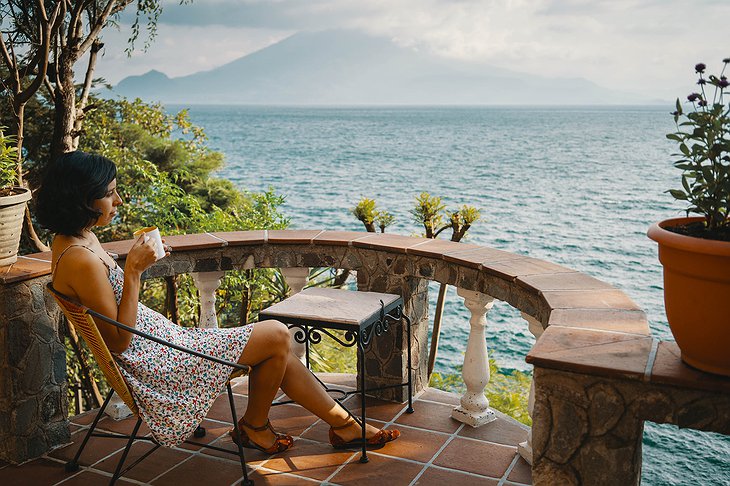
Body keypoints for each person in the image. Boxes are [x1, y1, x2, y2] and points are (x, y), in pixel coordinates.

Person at [37, 151, 400, 454]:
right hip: (158, 364)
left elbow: (114, 312)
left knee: (277, 349)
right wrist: (132, 272)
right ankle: (264, 426)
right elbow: (119, 340)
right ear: (83, 199)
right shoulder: (79, 259)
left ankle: (337, 426)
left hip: (167, 345)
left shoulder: (76, 240)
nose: (118, 201)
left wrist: (137, 266)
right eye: (110, 193)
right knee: (276, 335)